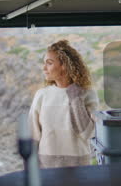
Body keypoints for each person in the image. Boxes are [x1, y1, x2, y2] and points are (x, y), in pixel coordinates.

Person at [28, 39, 99, 168]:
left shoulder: (87, 94)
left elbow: (88, 133)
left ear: (64, 65)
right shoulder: (41, 95)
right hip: (46, 164)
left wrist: (75, 97)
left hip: (78, 164)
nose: (44, 68)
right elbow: (33, 136)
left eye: (49, 63)